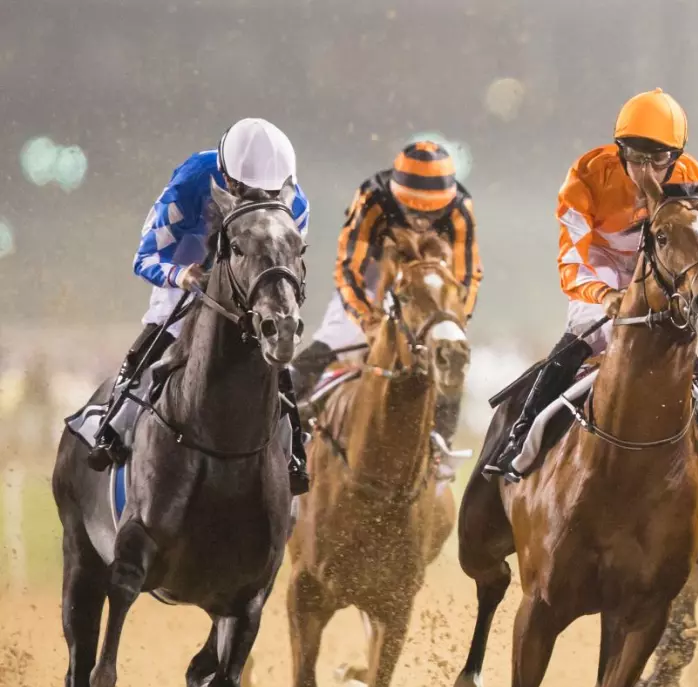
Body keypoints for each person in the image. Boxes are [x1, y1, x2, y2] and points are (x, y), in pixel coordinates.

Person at [483, 89, 698, 496]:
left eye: (658, 159)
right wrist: (603, 295)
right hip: (600, 263)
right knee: (590, 332)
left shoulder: (693, 178)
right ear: (619, 149)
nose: (646, 171)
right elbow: (571, 260)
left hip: (658, 266)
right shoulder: (586, 175)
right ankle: (521, 436)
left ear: (676, 155)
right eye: (635, 157)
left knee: (683, 345)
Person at [88, 117, 312, 493]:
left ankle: (294, 454)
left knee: (280, 365)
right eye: (246, 189)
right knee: (157, 339)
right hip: (186, 277)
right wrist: (180, 275)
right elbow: (144, 259)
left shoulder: (296, 205)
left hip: (246, 293)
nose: (261, 200)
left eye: (271, 192)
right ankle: (113, 425)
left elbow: (285, 270)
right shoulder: (192, 180)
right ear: (225, 176)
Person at [289, 140, 482, 479]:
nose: (420, 221)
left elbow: (467, 277)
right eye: (412, 210)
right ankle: (281, 427)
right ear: (396, 195)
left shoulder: (461, 209)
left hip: (427, 298)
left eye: (431, 213)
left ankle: (441, 446)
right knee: (326, 347)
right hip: (370, 286)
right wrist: (369, 321)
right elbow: (348, 269)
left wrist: (453, 320)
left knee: (451, 357)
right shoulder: (372, 198)